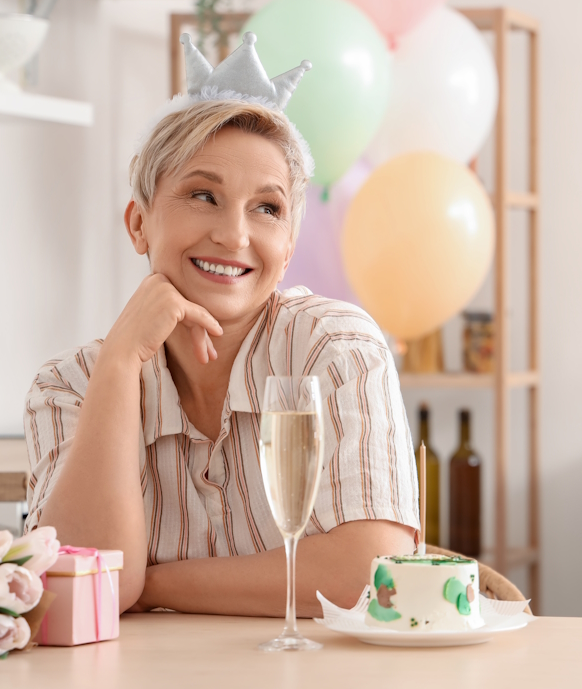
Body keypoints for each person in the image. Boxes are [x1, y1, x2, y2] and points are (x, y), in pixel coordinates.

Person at [22, 34, 418, 615]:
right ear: (138, 224)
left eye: (267, 207)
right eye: (203, 195)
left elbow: (370, 574)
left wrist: (146, 584)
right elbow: (69, 596)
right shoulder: (66, 388)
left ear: (287, 246)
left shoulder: (335, 351)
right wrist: (119, 364)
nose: (234, 236)